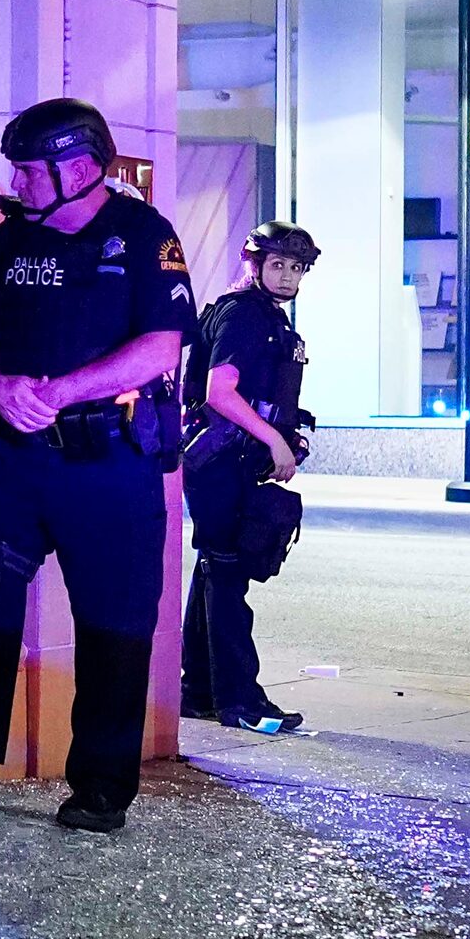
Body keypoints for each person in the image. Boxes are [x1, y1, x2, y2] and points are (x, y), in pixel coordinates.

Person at [0, 97, 200, 834]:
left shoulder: (144, 236)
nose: (18, 178)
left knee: (113, 624)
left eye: (30, 167)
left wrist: (59, 392)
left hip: (108, 463)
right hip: (17, 461)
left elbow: (159, 348)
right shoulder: (12, 241)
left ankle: (100, 788)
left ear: (79, 167)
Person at [179, 221, 320, 736]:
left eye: (296, 268)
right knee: (230, 571)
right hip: (220, 459)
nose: (287, 276)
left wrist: (286, 431)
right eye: (277, 265)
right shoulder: (242, 314)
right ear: (254, 265)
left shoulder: (267, 318)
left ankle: (197, 691)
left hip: (235, 458)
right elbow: (220, 391)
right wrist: (275, 440)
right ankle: (239, 700)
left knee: (217, 570)